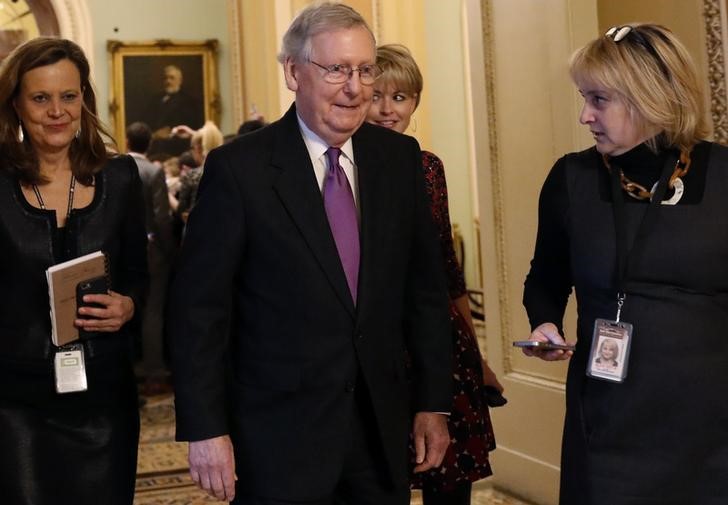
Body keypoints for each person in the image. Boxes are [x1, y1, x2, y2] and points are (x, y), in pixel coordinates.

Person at [168, 3, 452, 504]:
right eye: (337, 69)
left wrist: (433, 403)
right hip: (277, 439)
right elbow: (199, 312)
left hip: (380, 433)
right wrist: (205, 429)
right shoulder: (240, 171)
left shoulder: (398, 160)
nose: (355, 87)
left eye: (365, 70)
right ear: (293, 72)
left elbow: (424, 294)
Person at [521, 23, 728, 505]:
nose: (584, 116)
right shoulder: (571, 178)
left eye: (598, 99)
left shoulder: (723, 177)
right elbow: (544, 278)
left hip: (713, 429)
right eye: (583, 98)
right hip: (609, 423)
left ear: (650, 97)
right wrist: (545, 322)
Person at [0, 37, 148, 504]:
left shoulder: (121, 176)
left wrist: (128, 305)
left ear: (83, 97)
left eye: (69, 96)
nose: (57, 111)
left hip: (103, 395)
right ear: (16, 105)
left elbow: (140, 277)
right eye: (40, 98)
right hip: (14, 399)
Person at [366, 43, 499, 505]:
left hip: (438, 339)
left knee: (449, 478)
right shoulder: (340, 168)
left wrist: (476, 355)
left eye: (400, 98)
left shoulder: (427, 168)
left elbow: (446, 266)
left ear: (415, 103)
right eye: (376, 95)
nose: (387, 109)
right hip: (375, 344)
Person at [126, 121, 175, 394]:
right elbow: (161, 218)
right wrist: (170, 250)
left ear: (127, 141)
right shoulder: (153, 171)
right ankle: (155, 372)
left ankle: (131, 366)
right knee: (154, 311)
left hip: (122, 251)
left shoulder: (116, 167)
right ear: (150, 144)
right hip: (151, 249)